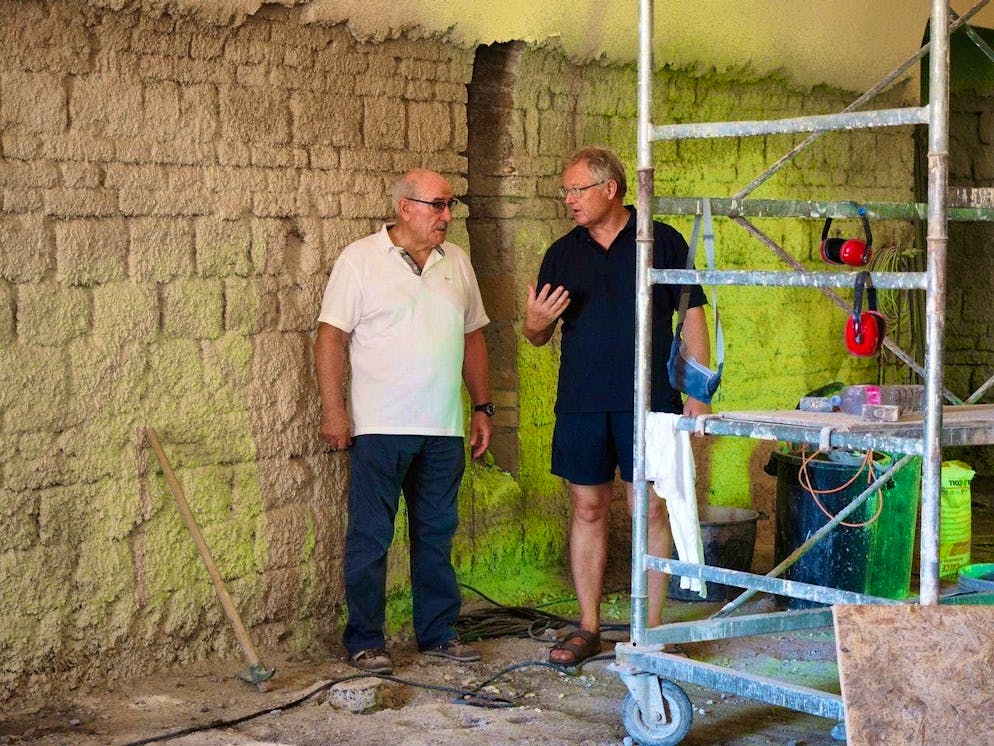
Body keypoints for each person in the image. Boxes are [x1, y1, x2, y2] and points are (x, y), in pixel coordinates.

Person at [523, 146, 712, 667]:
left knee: (648, 508)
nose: (569, 199)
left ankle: (649, 629)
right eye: (565, 191)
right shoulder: (562, 253)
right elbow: (537, 335)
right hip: (582, 400)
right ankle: (588, 627)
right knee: (588, 507)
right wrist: (535, 324)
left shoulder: (662, 240)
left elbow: (692, 315)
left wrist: (699, 393)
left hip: (651, 400)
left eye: (577, 189)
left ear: (610, 189)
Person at [314, 169, 494, 674]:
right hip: (380, 427)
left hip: (443, 427)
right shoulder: (360, 259)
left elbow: (473, 336)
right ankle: (366, 640)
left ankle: (438, 634)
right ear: (405, 207)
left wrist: (482, 407)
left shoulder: (456, 262)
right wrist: (334, 409)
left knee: (436, 535)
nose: (446, 215)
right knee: (371, 537)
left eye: (450, 204)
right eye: (437, 205)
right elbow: (330, 336)